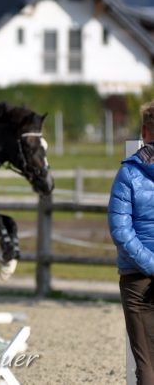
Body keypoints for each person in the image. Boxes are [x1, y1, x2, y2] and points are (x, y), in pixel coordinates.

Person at [108, 100, 154, 384]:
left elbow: (120, 230)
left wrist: (151, 265)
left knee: (147, 364)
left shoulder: (128, 173)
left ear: (144, 132)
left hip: (138, 279)